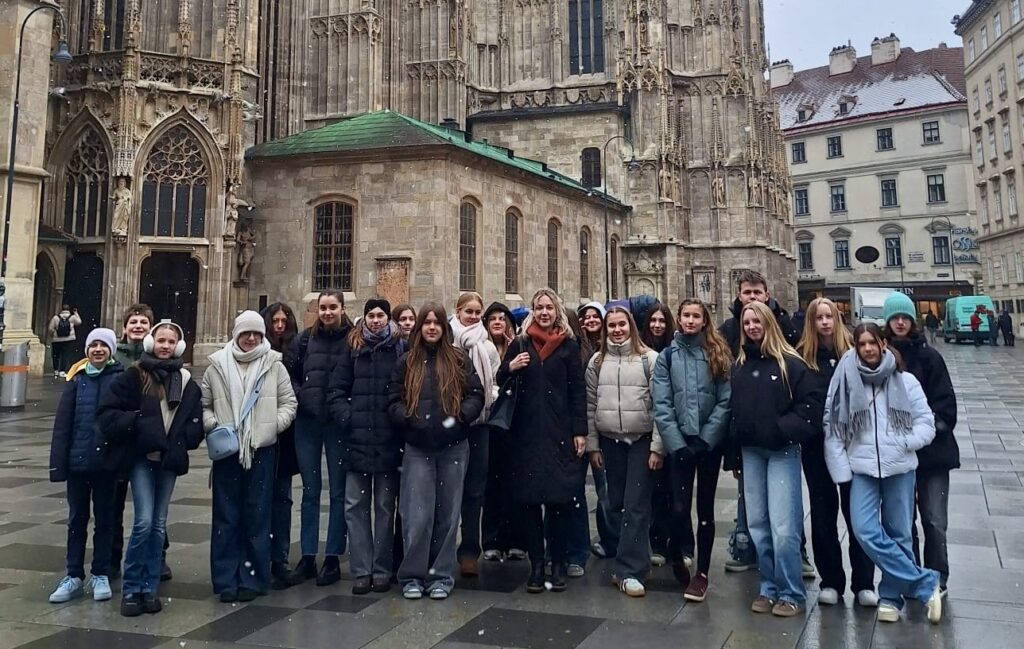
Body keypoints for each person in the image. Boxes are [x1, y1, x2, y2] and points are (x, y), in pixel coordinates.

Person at [824, 323, 943, 624]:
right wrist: (842, 471)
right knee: (864, 530)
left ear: (883, 344)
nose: (867, 349)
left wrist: (906, 443)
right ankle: (924, 582)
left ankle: (891, 596)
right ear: (855, 347)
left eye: (872, 343)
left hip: (900, 467)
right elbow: (833, 427)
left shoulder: (907, 381)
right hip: (861, 468)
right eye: (861, 344)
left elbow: (926, 423)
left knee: (899, 531)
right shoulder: (845, 382)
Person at [97, 321, 203, 617]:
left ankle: (149, 586)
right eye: (161, 341)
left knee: (158, 524)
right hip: (143, 457)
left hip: (168, 460)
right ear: (150, 343)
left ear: (179, 346)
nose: (166, 346)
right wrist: (138, 424)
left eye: (171, 342)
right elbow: (107, 414)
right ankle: (131, 588)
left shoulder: (184, 380)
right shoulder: (135, 374)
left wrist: (186, 439)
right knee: (143, 522)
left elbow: (194, 418)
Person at [730, 301, 823, 617]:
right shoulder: (740, 365)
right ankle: (768, 586)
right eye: (747, 323)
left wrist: (781, 430)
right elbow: (735, 412)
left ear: (769, 323)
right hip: (752, 452)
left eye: (757, 322)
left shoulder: (791, 364)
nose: (752, 327)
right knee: (758, 523)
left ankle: (791, 591)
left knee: (784, 525)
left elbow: (810, 408)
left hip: (782, 450)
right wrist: (735, 451)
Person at [388, 303, 484, 599]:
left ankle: (441, 575)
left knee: (448, 513)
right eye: (427, 323)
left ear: (444, 328)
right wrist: (409, 420)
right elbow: (392, 399)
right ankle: (413, 575)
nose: (432, 327)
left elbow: (476, 394)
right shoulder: (407, 361)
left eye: (437, 323)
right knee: (417, 515)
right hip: (418, 446)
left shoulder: (458, 359)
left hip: (453, 445)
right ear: (419, 328)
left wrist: (459, 419)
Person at [202, 311, 297, 602]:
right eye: (246, 333)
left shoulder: (274, 364)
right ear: (236, 334)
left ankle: (253, 578)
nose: (252, 338)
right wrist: (215, 426)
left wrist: (268, 429)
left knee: (257, 515)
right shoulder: (216, 366)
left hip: (262, 449)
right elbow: (204, 406)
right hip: (228, 451)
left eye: (256, 333)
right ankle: (225, 579)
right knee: (226, 516)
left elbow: (289, 403)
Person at [498, 288, 587, 594]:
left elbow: (577, 391)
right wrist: (511, 366)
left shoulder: (568, 346)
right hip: (526, 434)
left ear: (557, 311)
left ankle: (558, 564)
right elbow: (500, 377)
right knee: (530, 502)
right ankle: (537, 565)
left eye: (549, 307)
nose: (544, 312)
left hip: (559, 433)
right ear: (533, 311)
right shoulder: (521, 343)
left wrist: (580, 431)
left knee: (559, 502)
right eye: (539, 308)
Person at [796, 298, 877, 608]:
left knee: (857, 513)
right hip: (817, 446)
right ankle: (830, 581)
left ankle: (864, 583)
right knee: (822, 512)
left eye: (830, 316)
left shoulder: (854, 354)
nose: (825, 322)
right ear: (812, 323)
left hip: (853, 444)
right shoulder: (804, 357)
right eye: (819, 318)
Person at [718, 270, 799, 574]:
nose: (751, 297)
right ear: (738, 295)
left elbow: (803, 390)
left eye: (757, 292)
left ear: (767, 294)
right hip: (748, 437)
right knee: (752, 503)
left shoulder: (784, 330)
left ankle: (793, 559)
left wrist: (786, 428)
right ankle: (747, 550)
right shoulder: (729, 331)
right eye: (746, 292)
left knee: (783, 509)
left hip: (779, 439)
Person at [652, 299, 732, 603]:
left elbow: (725, 400)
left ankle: (702, 574)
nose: (689, 320)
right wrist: (677, 443)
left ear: (703, 321)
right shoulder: (667, 357)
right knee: (678, 508)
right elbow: (662, 403)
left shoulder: (716, 352)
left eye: (695, 316)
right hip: (680, 444)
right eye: (685, 315)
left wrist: (706, 438)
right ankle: (677, 554)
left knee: (706, 511)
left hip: (708, 446)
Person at [327, 298, 407, 595]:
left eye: (381, 315)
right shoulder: (353, 348)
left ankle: (382, 569)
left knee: (385, 507)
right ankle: (362, 569)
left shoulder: (400, 348)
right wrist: (348, 417)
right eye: (371, 315)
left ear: (389, 318)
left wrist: (396, 419)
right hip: (357, 439)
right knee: (355, 506)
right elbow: (336, 389)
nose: (376, 320)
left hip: (388, 440)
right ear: (364, 318)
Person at [882, 292, 958, 598]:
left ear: (912, 320)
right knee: (902, 522)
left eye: (905, 317)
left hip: (932, 455)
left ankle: (938, 576)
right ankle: (911, 574)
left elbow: (946, 408)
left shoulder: (930, 358)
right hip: (898, 455)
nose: (900, 322)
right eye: (895, 318)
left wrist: (924, 433)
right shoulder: (881, 357)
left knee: (934, 520)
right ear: (888, 321)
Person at [586, 306, 663, 597]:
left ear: (631, 326)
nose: (617, 330)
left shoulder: (649, 359)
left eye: (621, 325)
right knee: (615, 502)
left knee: (635, 503)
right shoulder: (596, 361)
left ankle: (629, 570)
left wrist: (658, 446)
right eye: (612, 326)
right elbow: (590, 405)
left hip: (641, 440)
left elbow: (659, 405)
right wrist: (593, 446)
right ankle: (639, 555)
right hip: (610, 441)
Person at [47, 328, 124, 604]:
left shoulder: (120, 379)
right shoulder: (76, 380)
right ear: (87, 350)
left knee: (105, 520)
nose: (99, 349)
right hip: (78, 462)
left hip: (106, 465)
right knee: (76, 519)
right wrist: (58, 465)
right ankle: (73, 575)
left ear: (111, 350)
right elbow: (62, 426)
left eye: (104, 345)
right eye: (94, 345)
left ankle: (100, 572)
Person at [284, 289, 353, 586]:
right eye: (323, 308)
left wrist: (345, 408)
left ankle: (334, 557)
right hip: (309, 422)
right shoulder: (304, 340)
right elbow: (290, 375)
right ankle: (309, 556)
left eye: (332, 307)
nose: (327, 313)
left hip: (338, 424)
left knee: (339, 492)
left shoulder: (352, 339)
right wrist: (303, 398)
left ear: (342, 308)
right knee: (310, 491)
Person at [109, 304, 167, 582]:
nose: (138, 326)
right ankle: (111, 559)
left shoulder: (156, 357)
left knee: (153, 509)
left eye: (144, 322)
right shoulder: (112, 357)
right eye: (133, 321)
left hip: (148, 441)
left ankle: (158, 557)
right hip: (121, 441)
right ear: (124, 327)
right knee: (115, 504)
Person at [450, 293, 500, 577]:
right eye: (468, 311)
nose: (473, 316)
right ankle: (443, 549)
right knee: (448, 488)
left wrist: (484, 400)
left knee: (474, 489)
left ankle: (469, 549)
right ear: (458, 311)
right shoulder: (447, 341)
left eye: (477, 312)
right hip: (450, 423)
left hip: (479, 424)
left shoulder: (486, 345)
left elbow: (493, 381)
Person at [480, 301, 527, 562]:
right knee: (492, 483)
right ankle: (492, 540)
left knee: (516, 481)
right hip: (489, 423)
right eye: (493, 319)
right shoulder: (480, 348)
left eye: (502, 318)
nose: (498, 322)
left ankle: (516, 539)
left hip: (514, 422)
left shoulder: (519, 346)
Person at [263, 303, 302, 590]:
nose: (278, 325)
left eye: (283, 320)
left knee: (282, 498)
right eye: (274, 321)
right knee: (257, 499)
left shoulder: (296, 349)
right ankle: (257, 556)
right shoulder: (256, 348)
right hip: (258, 436)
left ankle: (279, 558)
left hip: (285, 434)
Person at [574, 302, 615, 572]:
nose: (590, 320)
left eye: (594, 316)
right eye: (585, 317)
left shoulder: (610, 348)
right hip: (579, 425)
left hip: (604, 426)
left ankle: (610, 538)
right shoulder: (574, 346)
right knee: (576, 490)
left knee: (606, 489)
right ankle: (577, 543)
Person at [640, 302, 675, 568]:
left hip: (674, 430)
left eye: (662, 321)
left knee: (675, 493)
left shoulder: (674, 351)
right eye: (653, 321)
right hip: (647, 429)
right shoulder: (641, 351)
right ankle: (657, 542)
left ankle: (680, 544)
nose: (657, 325)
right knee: (653, 490)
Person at [49, 304, 83, 378]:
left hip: (56, 340)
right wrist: (76, 313)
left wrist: (53, 335)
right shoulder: (72, 317)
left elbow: (51, 328)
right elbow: (79, 322)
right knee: (65, 355)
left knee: (56, 355)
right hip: (68, 339)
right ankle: (62, 371)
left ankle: (56, 371)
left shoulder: (55, 317)